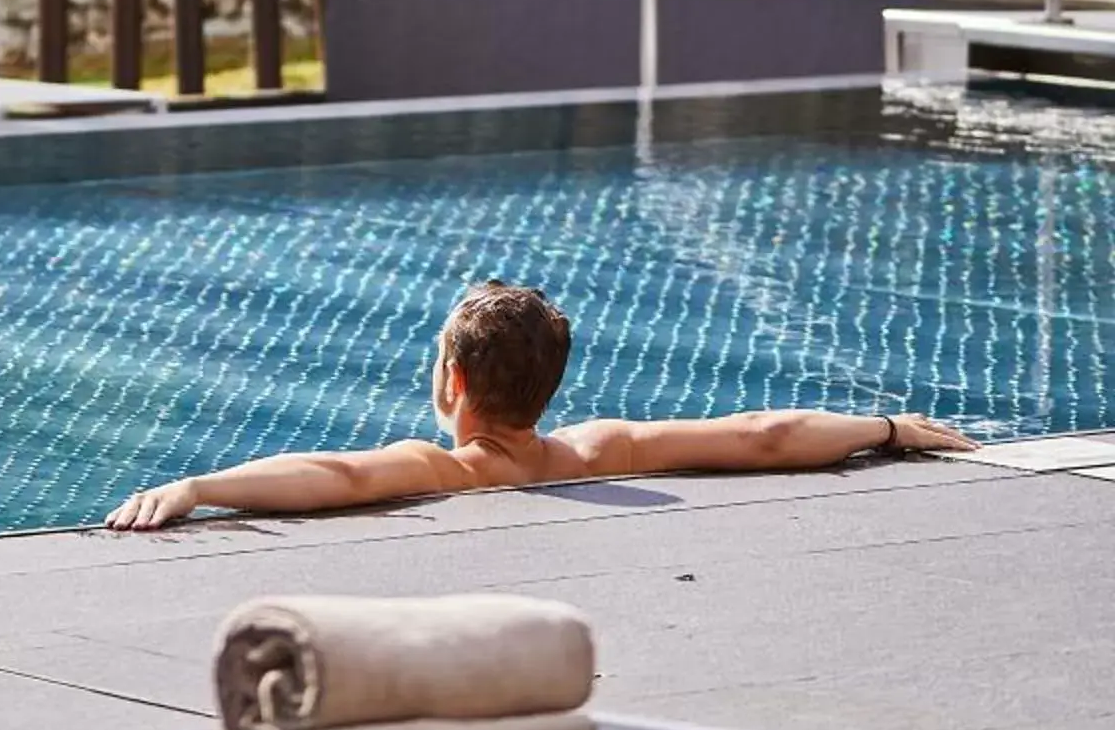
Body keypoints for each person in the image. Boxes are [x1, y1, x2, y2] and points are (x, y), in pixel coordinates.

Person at [105, 278, 972, 531]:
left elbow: (331, 475)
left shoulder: (444, 467)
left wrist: (201, 485)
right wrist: (886, 428)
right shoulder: (603, 449)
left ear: (452, 384)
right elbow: (765, 433)